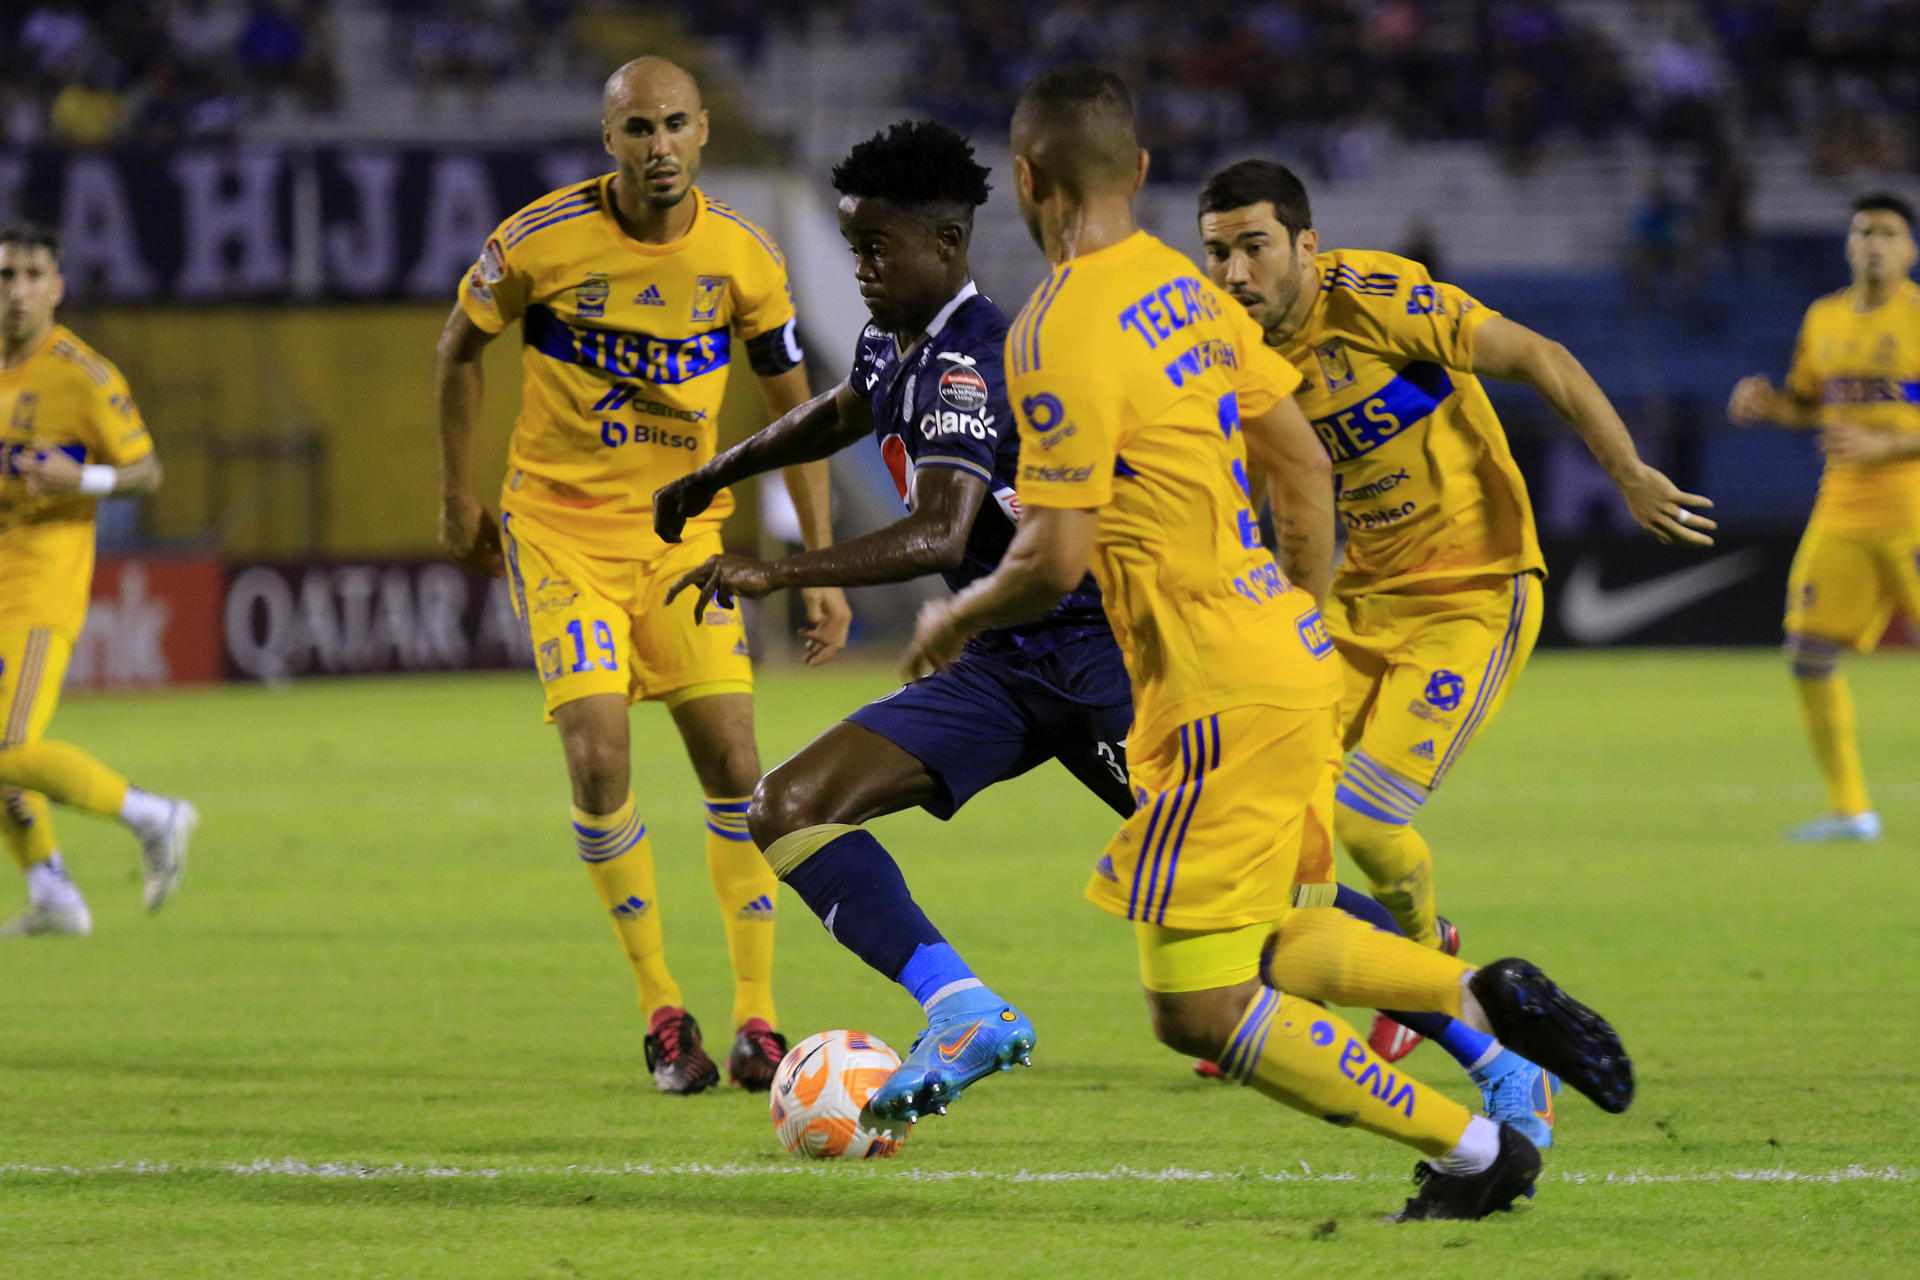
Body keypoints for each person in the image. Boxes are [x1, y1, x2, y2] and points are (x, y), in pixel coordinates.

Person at [656, 118, 1558, 1146]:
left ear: (944, 245)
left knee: (1262, 917)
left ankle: (1499, 1053)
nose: (859, 267)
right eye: (852, 245)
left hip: (1104, 659)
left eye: (875, 248)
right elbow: (842, 408)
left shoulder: (977, 356)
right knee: (787, 806)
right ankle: (963, 1009)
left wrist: (778, 568)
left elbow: (942, 527)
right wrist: (715, 472)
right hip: (1001, 667)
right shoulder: (894, 338)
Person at [900, 65, 1634, 1222]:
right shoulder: (1185, 296)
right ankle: (1479, 997)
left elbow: (1051, 556)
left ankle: (1472, 1146)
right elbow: (1297, 459)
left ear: (1027, 181)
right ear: (1140, 174)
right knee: (1282, 930)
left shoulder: (1051, 329)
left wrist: (953, 612)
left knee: (1194, 1002)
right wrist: (1296, 610)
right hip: (1288, 649)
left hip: (1212, 683)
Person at [1195, 158, 1712, 1063]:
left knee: (1362, 820)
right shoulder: (1229, 354)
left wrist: (1626, 470)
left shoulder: (1381, 300)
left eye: (1255, 248)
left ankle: (1426, 960)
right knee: (1279, 803)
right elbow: (1284, 493)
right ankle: (1283, 996)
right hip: (1359, 603)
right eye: (1217, 253)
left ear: (1305, 246)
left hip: (1475, 591)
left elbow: (1540, 357)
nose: (1236, 273)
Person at [433, 57, 851, 1095]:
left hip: (681, 538)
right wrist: (456, 499)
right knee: (599, 758)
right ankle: (663, 1010)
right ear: (606, 138)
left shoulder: (744, 261)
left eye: (674, 126)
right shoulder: (537, 241)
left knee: (736, 759)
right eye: (637, 129)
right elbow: (456, 351)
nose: (658, 146)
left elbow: (797, 410)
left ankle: (758, 1018)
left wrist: (814, 561)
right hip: (562, 531)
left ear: (703, 133)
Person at [0, 222, 197, 938]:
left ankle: (154, 815)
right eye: (4, 275)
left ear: (56, 287)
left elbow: (148, 471)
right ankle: (50, 889)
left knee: (9, 747)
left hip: (38, 586)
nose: (15, 290)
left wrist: (82, 477)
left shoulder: (83, 376)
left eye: (30, 275)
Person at [1729, 193, 1920, 843]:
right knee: (1807, 651)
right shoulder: (1824, 319)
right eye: (1863, 230)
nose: (1874, 241)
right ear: (1848, 245)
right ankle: (1851, 811)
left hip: (1913, 508)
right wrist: (1769, 405)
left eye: (1888, 232)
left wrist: (1887, 445)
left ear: (1909, 251)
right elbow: (1810, 404)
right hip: (1841, 507)